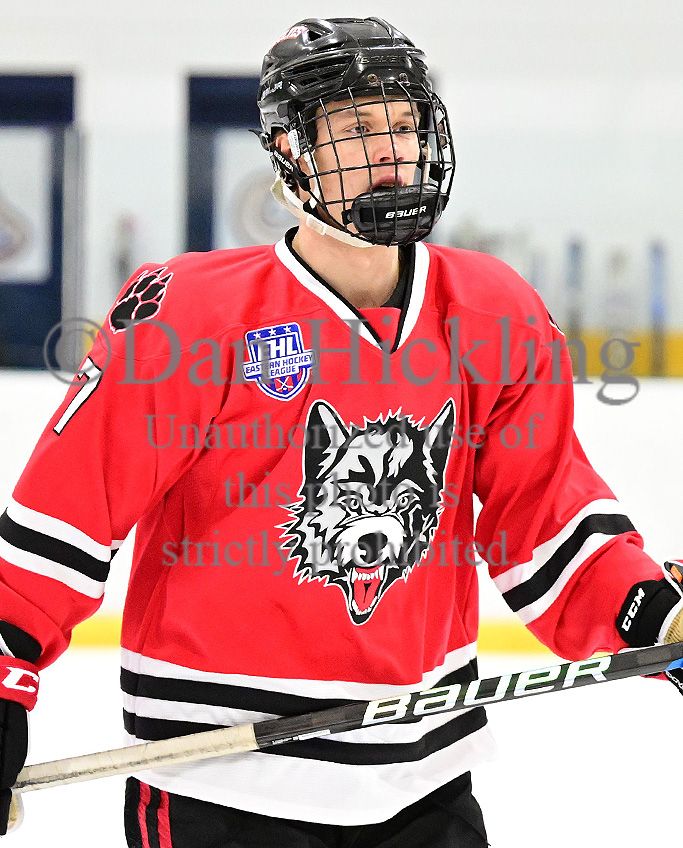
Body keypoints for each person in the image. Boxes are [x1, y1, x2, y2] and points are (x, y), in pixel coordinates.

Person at [0, 16, 681, 847]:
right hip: (223, 781)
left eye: (403, 125)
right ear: (289, 151)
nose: (390, 151)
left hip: (424, 780)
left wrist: (653, 614)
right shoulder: (192, 314)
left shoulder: (492, 310)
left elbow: (543, 519)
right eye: (357, 129)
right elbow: (65, 517)